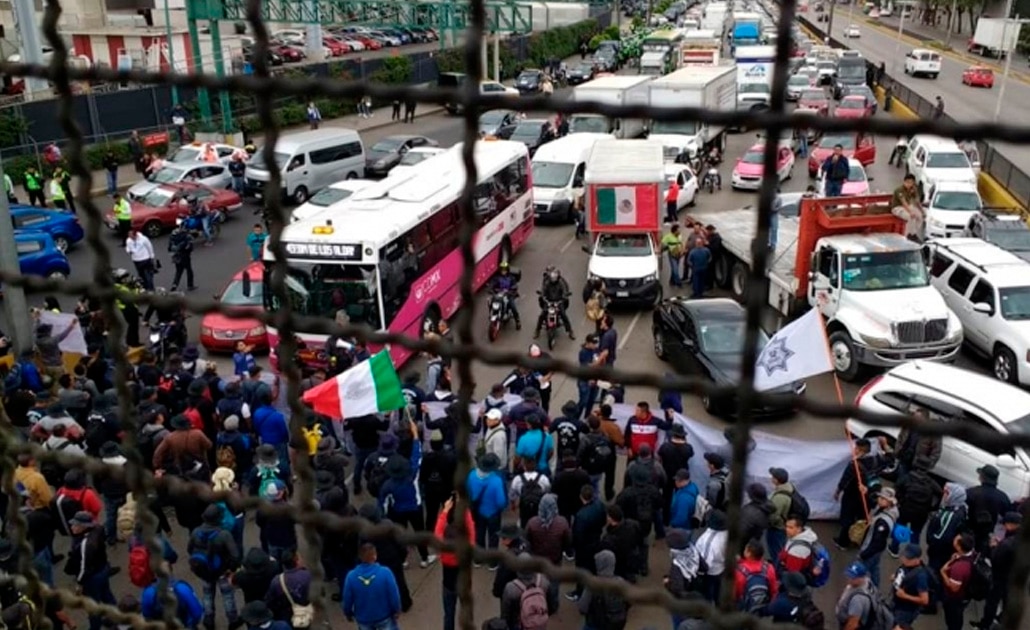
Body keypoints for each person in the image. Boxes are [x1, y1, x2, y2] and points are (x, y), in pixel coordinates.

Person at [66, 511, 116, 630]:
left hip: (92, 578)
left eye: (76, 525)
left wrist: (79, 582)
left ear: (84, 527)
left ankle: (95, 627)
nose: (72, 527)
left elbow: (84, 567)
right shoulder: (98, 529)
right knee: (107, 595)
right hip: (102, 569)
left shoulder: (85, 544)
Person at [976, 511, 1022, 629]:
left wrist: (994, 546)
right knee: (1007, 599)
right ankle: (1003, 619)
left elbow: (995, 558)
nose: (1004, 526)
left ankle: (986, 624)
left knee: (992, 601)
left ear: (1012, 524)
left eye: (1006, 524)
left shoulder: (1007, 544)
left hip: (1000, 576)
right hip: (1014, 575)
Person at [342, 543, 402, 630]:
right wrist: (396, 609)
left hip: (364, 619)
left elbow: (347, 598)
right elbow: (394, 594)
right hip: (384, 616)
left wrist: (348, 613)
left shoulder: (351, 576)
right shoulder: (385, 572)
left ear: (360, 557)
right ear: (375, 556)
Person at [940, 533, 976, 630]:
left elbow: (954, 588)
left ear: (959, 547)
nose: (954, 539)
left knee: (953, 619)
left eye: (956, 540)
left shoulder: (959, 568)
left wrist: (943, 572)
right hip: (964, 593)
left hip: (955, 598)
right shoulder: (972, 554)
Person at [891, 543, 931, 630]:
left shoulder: (921, 577)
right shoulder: (906, 565)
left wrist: (905, 596)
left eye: (908, 558)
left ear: (917, 559)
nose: (904, 559)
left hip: (906, 611)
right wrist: (896, 578)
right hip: (896, 604)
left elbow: (925, 600)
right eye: (904, 556)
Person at [535, 266, 574, 340]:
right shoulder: (547, 283)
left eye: (554, 278)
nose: (553, 280)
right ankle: (537, 330)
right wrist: (542, 296)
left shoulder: (561, 283)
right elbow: (543, 290)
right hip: (549, 302)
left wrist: (564, 296)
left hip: (558, 302)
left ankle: (570, 331)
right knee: (542, 315)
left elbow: (564, 291)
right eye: (552, 278)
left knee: (563, 315)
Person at [892, 174, 925, 242]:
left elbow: (917, 202)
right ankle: (909, 235)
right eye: (907, 182)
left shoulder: (913, 190)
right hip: (898, 208)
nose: (909, 184)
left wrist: (922, 211)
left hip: (908, 206)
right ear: (904, 182)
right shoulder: (899, 190)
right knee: (910, 217)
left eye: (911, 182)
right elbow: (903, 202)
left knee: (920, 216)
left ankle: (912, 233)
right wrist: (911, 212)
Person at [490, 261, 521, 330]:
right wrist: (491, 289)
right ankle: (492, 313)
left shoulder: (511, 278)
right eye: (502, 270)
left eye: (505, 270)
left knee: (513, 307)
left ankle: (517, 321)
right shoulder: (497, 278)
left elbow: (515, 286)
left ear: (507, 270)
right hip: (498, 295)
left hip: (508, 295)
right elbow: (492, 284)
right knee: (490, 301)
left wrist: (512, 290)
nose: (503, 271)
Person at [168, 224, 196, 292]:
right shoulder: (186, 235)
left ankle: (175, 284)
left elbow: (169, 247)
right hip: (185, 255)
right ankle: (190, 285)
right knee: (189, 270)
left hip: (176, 255)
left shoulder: (172, 235)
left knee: (178, 271)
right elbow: (189, 247)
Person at [661, 224, 685, 288]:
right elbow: (662, 243)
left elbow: (681, 243)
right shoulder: (668, 237)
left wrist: (682, 250)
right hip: (672, 255)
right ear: (675, 231)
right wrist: (660, 249)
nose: (680, 231)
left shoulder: (679, 236)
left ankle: (672, 281)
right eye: (678, 230)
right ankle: (679, 283)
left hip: (678, 255)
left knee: (674, 269)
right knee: (675, 270)